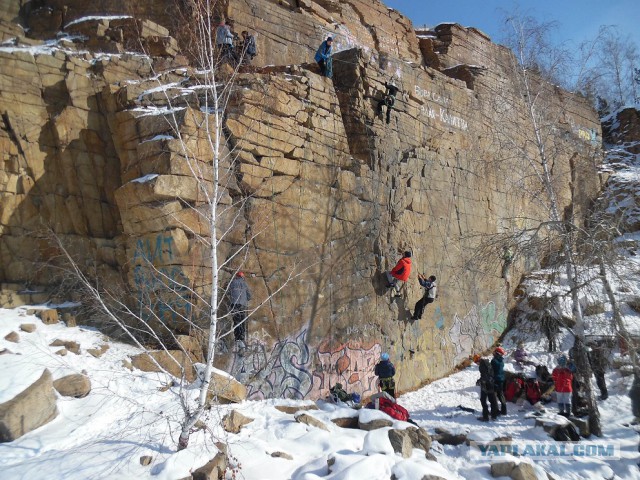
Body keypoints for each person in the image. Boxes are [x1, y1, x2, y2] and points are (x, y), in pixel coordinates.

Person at [228, 271, 251, 347]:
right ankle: (242, 338)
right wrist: (246, 298)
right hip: (243, 305)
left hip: (234, 305)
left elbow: (228, 292)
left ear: (236, 276)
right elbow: (249, 296)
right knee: (242, 321)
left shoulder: (232, 283)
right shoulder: (244, 284)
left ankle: (237, 338)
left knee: (236, 321)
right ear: (242, 277)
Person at [474, 354, 499, 421]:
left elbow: (485, 376)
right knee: (492, 400)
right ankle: (494, 416)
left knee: (483, 400)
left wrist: (480, 381)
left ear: (478, 360)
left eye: (476, 362)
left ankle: (485, 417)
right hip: (491, 383)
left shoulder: (482, 365)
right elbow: (489, 374)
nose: (476, 364)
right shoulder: (487, 362)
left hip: (485, 385)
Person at [492, 347, 507, 415]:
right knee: (501, 395)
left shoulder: (494, 361)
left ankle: (496, 411)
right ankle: (504, 411)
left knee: (494, 396)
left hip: (495, 380)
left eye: (495, 352)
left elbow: (491, 371)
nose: (493, 353)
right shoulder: (501, 361)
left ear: (497, 353)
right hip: (501, 380)